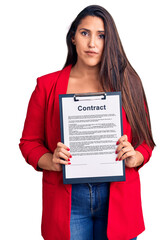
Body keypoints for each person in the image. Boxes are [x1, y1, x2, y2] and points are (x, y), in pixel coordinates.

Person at [19, 5, 155, 240]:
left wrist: (136, 156)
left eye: (101, 36)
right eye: (85, 33)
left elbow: (146, 143)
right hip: (67, 200)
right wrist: (50, 161)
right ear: (73, 37)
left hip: (118, 199)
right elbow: (29, 143)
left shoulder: (129, 83)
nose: (92, 43)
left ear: (109, 41)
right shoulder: (46, 86)